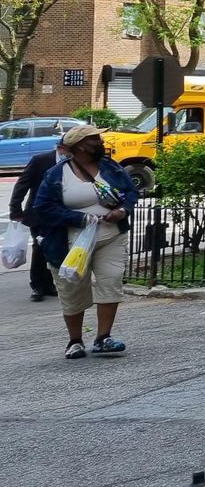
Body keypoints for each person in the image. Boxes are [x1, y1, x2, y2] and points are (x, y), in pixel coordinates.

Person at [32, 126, 140, 360]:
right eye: (95, 140)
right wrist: (79, 218)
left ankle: (103, 338)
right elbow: (42, 207)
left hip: (111, 235)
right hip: (71, 242)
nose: (101, 142)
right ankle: (75, 340)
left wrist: (123, 210)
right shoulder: (56, 174)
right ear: (80, 146)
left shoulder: (110, 167)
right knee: (73, 289)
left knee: (110, 281)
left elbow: (131, 192)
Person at [9, 134, 68, 302]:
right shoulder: (40, 160)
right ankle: (37, 286)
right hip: (38, 213)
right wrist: (16, 209)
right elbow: (22, 184)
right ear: (61, 148)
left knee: (55, 247)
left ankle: (49, 284)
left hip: (60, 214)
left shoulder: (73, 163)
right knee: (40, 248)